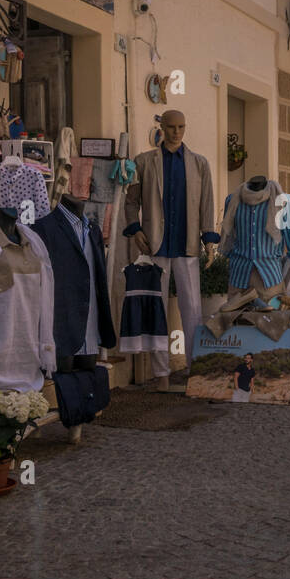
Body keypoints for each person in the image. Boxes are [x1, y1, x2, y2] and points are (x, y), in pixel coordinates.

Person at [123, 110, 220, 391]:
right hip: (155, 244)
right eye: (171, 127)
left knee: (193, 309)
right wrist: (134, 228)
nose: (177, 132)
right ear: (162, 128)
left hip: (187, 244)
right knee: (157, 308)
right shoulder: (144, 161)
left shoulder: (199, 163)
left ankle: (195, 368)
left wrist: (209, 240)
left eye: (181, 126)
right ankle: (161, 372)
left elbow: (206, 203)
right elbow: (131, 201)